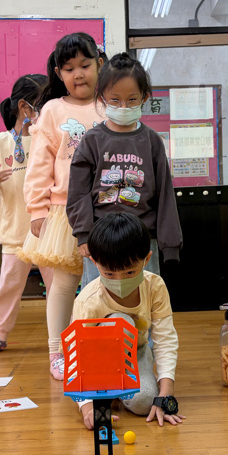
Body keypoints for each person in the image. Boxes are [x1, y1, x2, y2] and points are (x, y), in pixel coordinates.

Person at [18, 32, 106, 380]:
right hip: (65, 211)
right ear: (58, 73)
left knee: (106, 284)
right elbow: (39, 165)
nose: (78, 74)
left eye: (85, 65)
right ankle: (58, 352)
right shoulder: (53, 110)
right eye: (69, 69)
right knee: (65, 285)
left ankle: (103, 346)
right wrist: (37, 209)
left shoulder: (110, 104)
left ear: (100, 63)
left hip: (108, 210)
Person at [66, 51, 182, 287]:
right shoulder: (92, 140)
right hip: (100, 240)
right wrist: (83, 234)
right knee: (98, 301)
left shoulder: (151, 140)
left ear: (144, 98)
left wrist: (169, 245)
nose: (123, 106)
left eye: (131, 100)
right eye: (115, 100)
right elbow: (78, 192)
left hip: (142, 241)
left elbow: (165, 194)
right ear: (102, 98)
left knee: (144, 300)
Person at [71, 213, 185, 429]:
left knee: (144, 402)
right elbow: (77, 355)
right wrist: (87, 408)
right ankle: (108, 388)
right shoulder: (88, 301)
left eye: (130, 272)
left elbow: (165, 339)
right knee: (120, 321)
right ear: (95, 262)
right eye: (109, 273)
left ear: (146, 260)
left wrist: (166, 394)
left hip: (136, 354)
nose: (120, 280)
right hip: (97, 364)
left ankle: (119, 389)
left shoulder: (155, 286)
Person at [0, 73, 53, 355]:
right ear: (24, 107)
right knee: (8, 286)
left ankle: (63, 338)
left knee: (58, 288)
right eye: (42, 104)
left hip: (48, 230)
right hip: (14, 230)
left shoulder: (48, 138)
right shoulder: (0, 142)